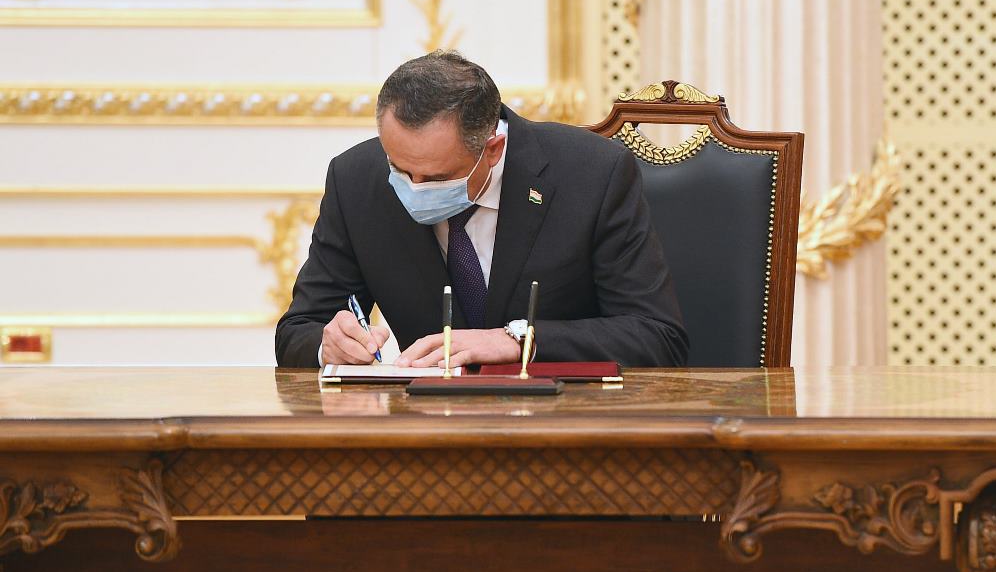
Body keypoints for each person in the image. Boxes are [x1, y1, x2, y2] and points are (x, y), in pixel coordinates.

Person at [275, 51, 687, 369]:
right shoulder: (356, 180)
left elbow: (657, 338)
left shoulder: (592, 174)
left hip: (559, 425)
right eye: (399, 168)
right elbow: (298, 330)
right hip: (424, 430)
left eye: (436, 177)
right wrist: (329, 346)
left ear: (493, 149)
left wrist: (518, 341)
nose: (413, 188)